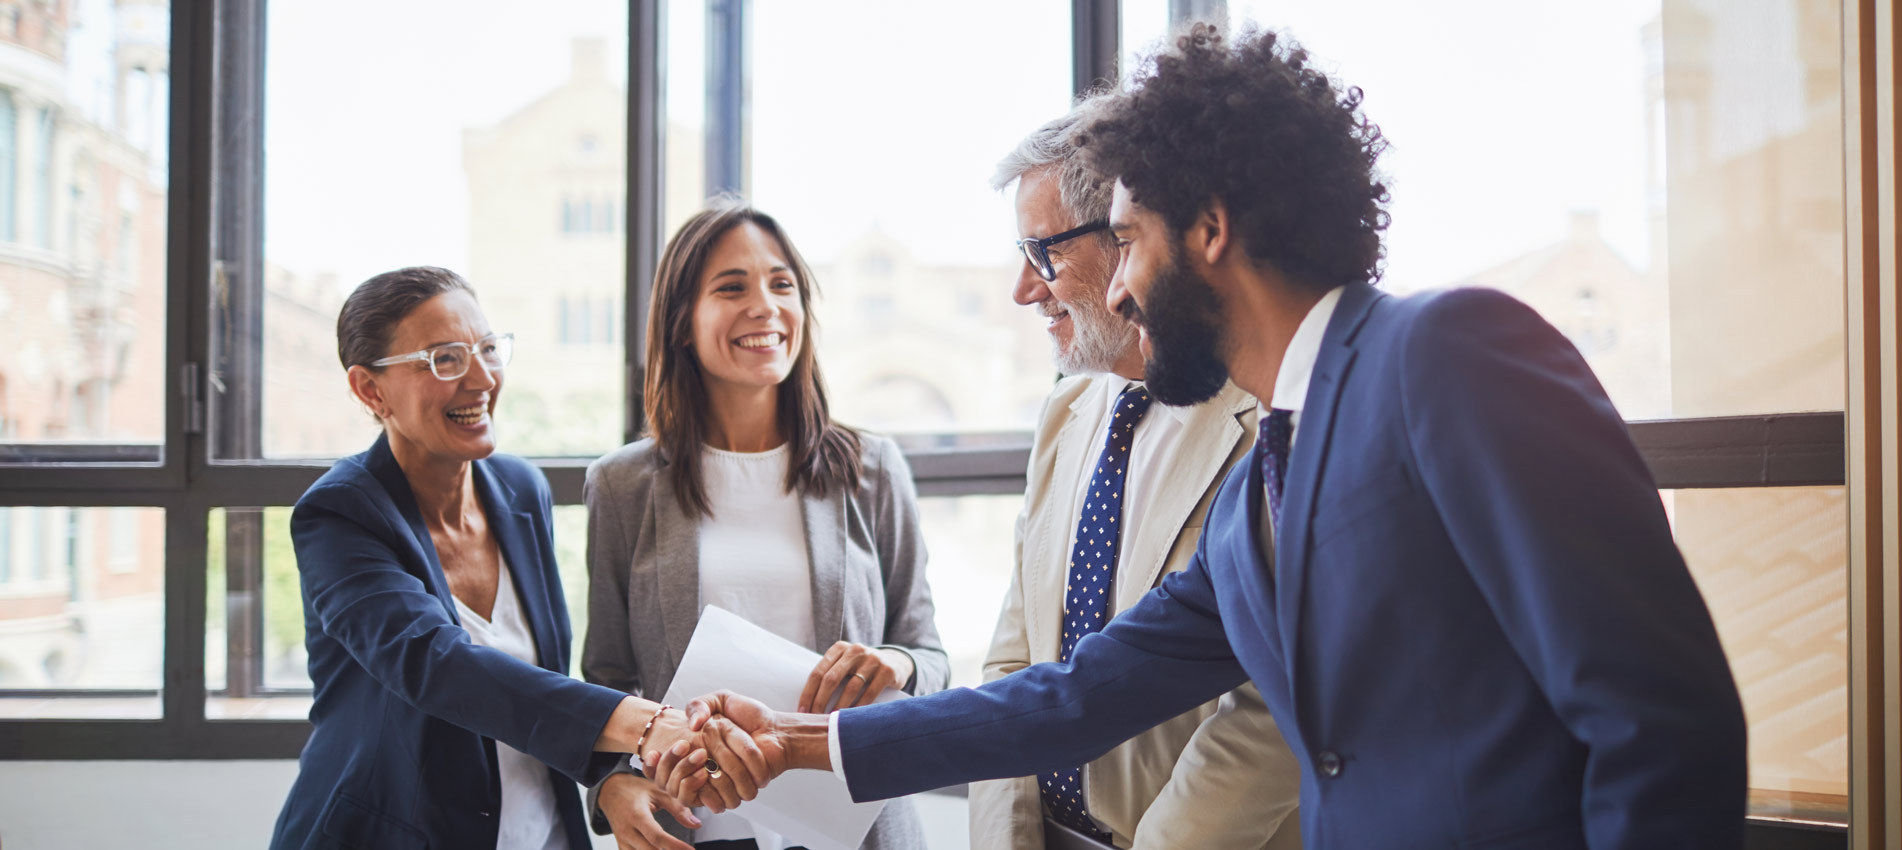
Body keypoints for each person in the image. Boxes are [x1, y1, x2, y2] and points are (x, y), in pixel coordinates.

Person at [665, 25, 1748, 850]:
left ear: (1210, 230)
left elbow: (1661, 719)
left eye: (1126, 239)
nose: (1121, 285)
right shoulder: (1255, 498)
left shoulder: (1448, 351)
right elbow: (1072, 696)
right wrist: (794, 742)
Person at [270, 267, 758, 850]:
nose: (481, 379)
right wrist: (646, 723)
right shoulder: (341, 514)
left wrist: (609, 779)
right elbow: (435, 664)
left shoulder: (520, 489)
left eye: (487, 349)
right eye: (444, 359)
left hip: (539, 833)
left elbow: (542, 681)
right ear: (370, 390)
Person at [970, 100, 1300, 850]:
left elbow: (1267, 711)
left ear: (1127, 237)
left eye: (1042, 253)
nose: (1026, 289)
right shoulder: (1067, 411)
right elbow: (1015, 659)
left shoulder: (1270, 421)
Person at [581, 200, 948, 850]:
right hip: (695, 829)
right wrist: (610, 781)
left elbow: (929, 658)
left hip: (854, 831)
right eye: (731, 288)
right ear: (681, 323)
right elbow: (607, 679)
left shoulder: (872, 469)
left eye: (782, 285)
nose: (764, 306)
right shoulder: (622, 486)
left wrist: (891, 663)